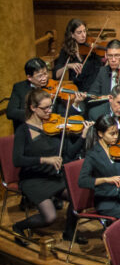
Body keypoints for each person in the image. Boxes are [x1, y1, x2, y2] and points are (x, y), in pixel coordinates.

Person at [11, 89, 91, 246]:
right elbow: (17, 160)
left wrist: (83, 136)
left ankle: (69, 232)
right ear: (33, 108)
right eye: (45, 108)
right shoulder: (23, 131)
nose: (49, 111)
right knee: (49, 217)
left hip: (53, 176)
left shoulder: (55, 127)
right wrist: (44, 160)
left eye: (51, 107)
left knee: (77, 199)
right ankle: (18, 227)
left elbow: (68, 154)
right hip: (33, 179)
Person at [53, 18, 102, 91]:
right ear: (72, 35)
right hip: (76, 90)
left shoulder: (92, 50)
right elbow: (56, 75)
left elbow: (101, 69)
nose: (83, 35)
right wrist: (67, 66)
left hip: (92, 89)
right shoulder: (66, 51)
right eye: (79, 32)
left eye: (84, 31)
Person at [8, 58, 54, 131]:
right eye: (40, 76)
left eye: (45, 73)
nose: (44, 78)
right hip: (28, 130)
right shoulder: (19, 87)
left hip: (50, 128)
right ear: (29, 77)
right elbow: (11, 112)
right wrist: (35, 114)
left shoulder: (52, 87)